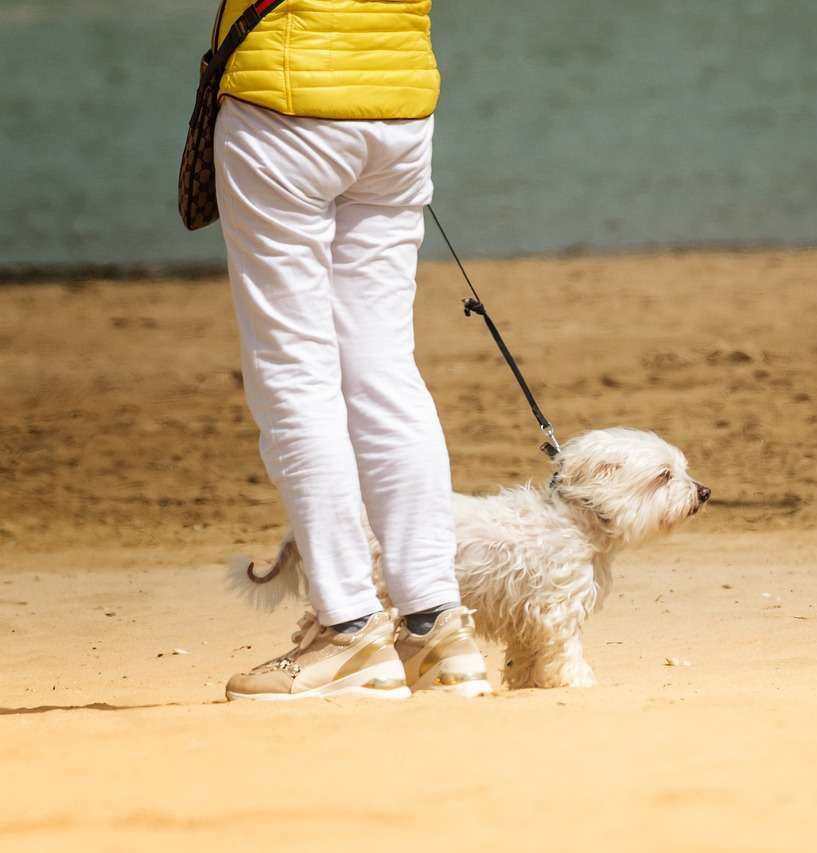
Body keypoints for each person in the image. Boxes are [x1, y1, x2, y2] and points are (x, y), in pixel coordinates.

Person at [210, 0, 492, 700]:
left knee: (293, 372)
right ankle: (437, 630)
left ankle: (348, 629)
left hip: (285, 94)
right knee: (385, 367)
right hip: (399, 101)